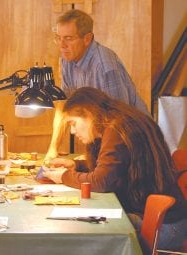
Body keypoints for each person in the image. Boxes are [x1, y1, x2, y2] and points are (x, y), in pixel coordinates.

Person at [43, 87, 187, 252]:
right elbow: (113, 168)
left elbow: (102, 181)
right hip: (162, 218)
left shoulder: (116, 129)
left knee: (84, 234)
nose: (73, 131)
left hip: (165, 227)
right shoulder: (119, 121)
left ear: (89, 114)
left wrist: (65, 177)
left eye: (73, 123)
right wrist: (75, 165)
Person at [45, 9, 148, 161]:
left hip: (133, 141)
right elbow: (64, 106)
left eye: (68, 38)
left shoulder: (104, 65)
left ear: (87, 39)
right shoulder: (66, 60)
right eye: (58, 38)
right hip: (106, 141)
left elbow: (119, 118)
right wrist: (53, 149)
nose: (62, 45)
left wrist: (99, 158)